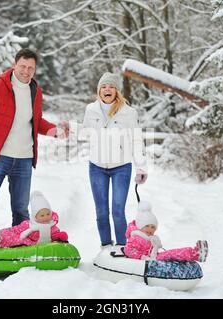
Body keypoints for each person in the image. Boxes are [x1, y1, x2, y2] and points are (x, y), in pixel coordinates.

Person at [0, 48, 68, 230]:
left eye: (31, 68)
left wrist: (55, 131)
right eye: (23, 66)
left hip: (24, 159)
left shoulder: (35, 91)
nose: (26, 71)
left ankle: (20, 243)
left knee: (20, 209)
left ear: (35, 69)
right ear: (14, 65)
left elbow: (36, 120)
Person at [81, 72, 148, 251]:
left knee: (118, 211)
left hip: (121, 168)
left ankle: (122, 248)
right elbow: (85, 133)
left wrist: (141, 167)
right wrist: (68, 129)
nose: (107, 89)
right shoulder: (91, 110)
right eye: (103, 86)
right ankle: (105, 247)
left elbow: (136, 140)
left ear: (117, 91)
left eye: (111, 86)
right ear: (99, 91)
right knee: (101, 212)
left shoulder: (129, 112)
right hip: (97, 167)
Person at [0, 191, 68, 248]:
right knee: (6, 232)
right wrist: (11, 231)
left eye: (48, 214)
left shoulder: (52, 227)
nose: (46, 217)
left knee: (15, 240)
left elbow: (56, 236)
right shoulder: (29, 224)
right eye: (42, 215)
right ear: (35, 216)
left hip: (30, 243)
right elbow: (16, 229)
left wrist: (61, 237)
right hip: (22, 236)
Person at [123, 201, 209, 262]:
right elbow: (128, 250)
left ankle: (195, 253)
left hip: (153, 257)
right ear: (140, 227)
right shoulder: (136, 237)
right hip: (146, 260)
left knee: (173, 253)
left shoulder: (151, 238)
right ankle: (195, 254)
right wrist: (142, 257)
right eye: (147, 226)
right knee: (170, 254)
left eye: (153, 227)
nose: (150, 229)